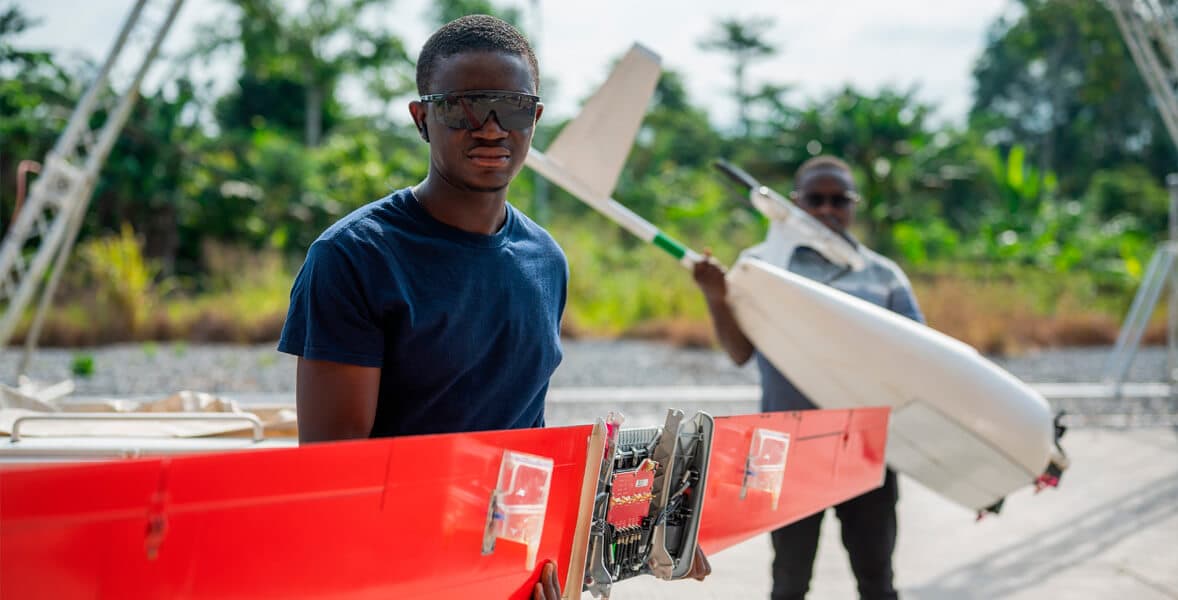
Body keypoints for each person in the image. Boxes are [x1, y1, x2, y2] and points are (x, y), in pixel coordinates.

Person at [277, 14, 564, 598]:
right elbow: (336, 469)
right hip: (393, 573)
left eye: (510, 107)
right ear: (421, 118)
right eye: (462, 106)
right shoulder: (354, 257)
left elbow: (527, 434)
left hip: (507, 569)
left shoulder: (545, 259)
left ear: (533, 119)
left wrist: (552, 551)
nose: (489, 128)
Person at [692, 155, 923, 600]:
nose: (827, 210)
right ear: (795, 203)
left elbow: (918, 356)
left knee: (877, 580)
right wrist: (716, 298)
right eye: (815, 200)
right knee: (789, 582)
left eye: (839, 200)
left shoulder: (883, 276)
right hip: (787, 448)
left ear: (854, 206)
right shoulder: (760, 266)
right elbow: (741, 353)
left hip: (866, 446)